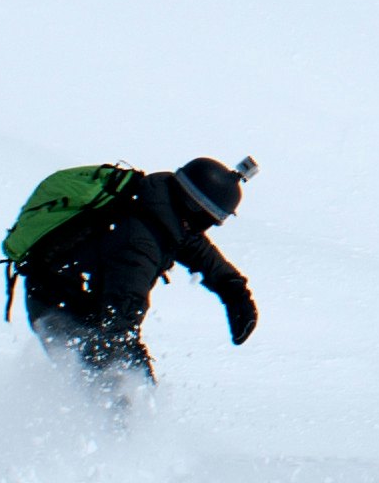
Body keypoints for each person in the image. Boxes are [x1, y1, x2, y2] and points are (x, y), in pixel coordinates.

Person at [18, 157, 259, 401]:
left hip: (76, 297)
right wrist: (134, 375)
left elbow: (197, 250)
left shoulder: (158, 206)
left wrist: (235, 292)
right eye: (208, 220)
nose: (204, 228)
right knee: (108, 397)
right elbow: (120, 316)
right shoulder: (139, 243)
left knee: (121, 385)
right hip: (58, 309)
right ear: (194, 207)